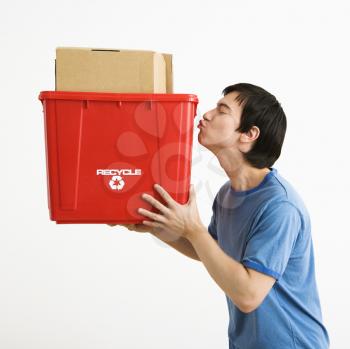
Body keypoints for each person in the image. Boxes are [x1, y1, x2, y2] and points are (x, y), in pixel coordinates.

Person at [109, 83, 330, 349]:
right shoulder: (228, 194)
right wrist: (156, 225)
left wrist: (193, 228)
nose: (207, 114)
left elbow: (248, 295)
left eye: (222, 110)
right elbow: (211, 250)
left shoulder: (280, 207)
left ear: (249, 134)